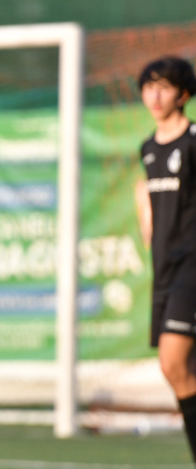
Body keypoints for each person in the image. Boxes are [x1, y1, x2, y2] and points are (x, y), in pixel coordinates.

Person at [135, 55, 196, 461]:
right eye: (148, 87)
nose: (155, 96)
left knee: (173, 363)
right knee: (181, 372)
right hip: (165, 268)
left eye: (165, 87)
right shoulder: (147, 149)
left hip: (193, 265)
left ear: (183, 94)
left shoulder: (193, 140)